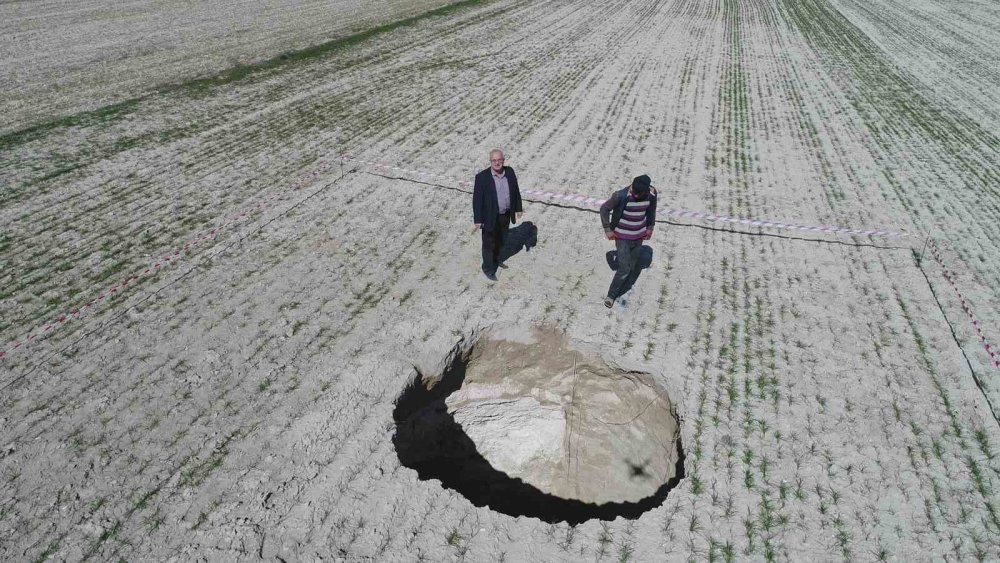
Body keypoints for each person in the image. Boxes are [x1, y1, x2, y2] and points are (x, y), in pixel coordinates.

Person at [599, 174, 657, 307]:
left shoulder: (652, 194)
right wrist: (608, 229)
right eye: (634, 192)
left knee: (633, 263)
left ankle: (626, 280)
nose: (636, 196)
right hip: (622, 236)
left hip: (639, 235)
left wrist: (650, 227)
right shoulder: (620, 195)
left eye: (639, 194)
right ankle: (611, 295)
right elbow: (604, 209)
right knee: (624, 268)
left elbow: (652, 210)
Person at [473, 149, 523, 280]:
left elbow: (515, 191)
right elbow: (477, 200)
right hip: (489, 216)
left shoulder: (510, 172)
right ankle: (488, 268)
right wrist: (478, 219)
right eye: (494, 160)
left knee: (501, 240)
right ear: (490, 162)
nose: (497, 163)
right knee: (489, 243)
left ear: (503, 160)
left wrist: (518, 208)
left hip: (505, 215)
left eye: (499, 160)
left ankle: (496, 260)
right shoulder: (482, 177)